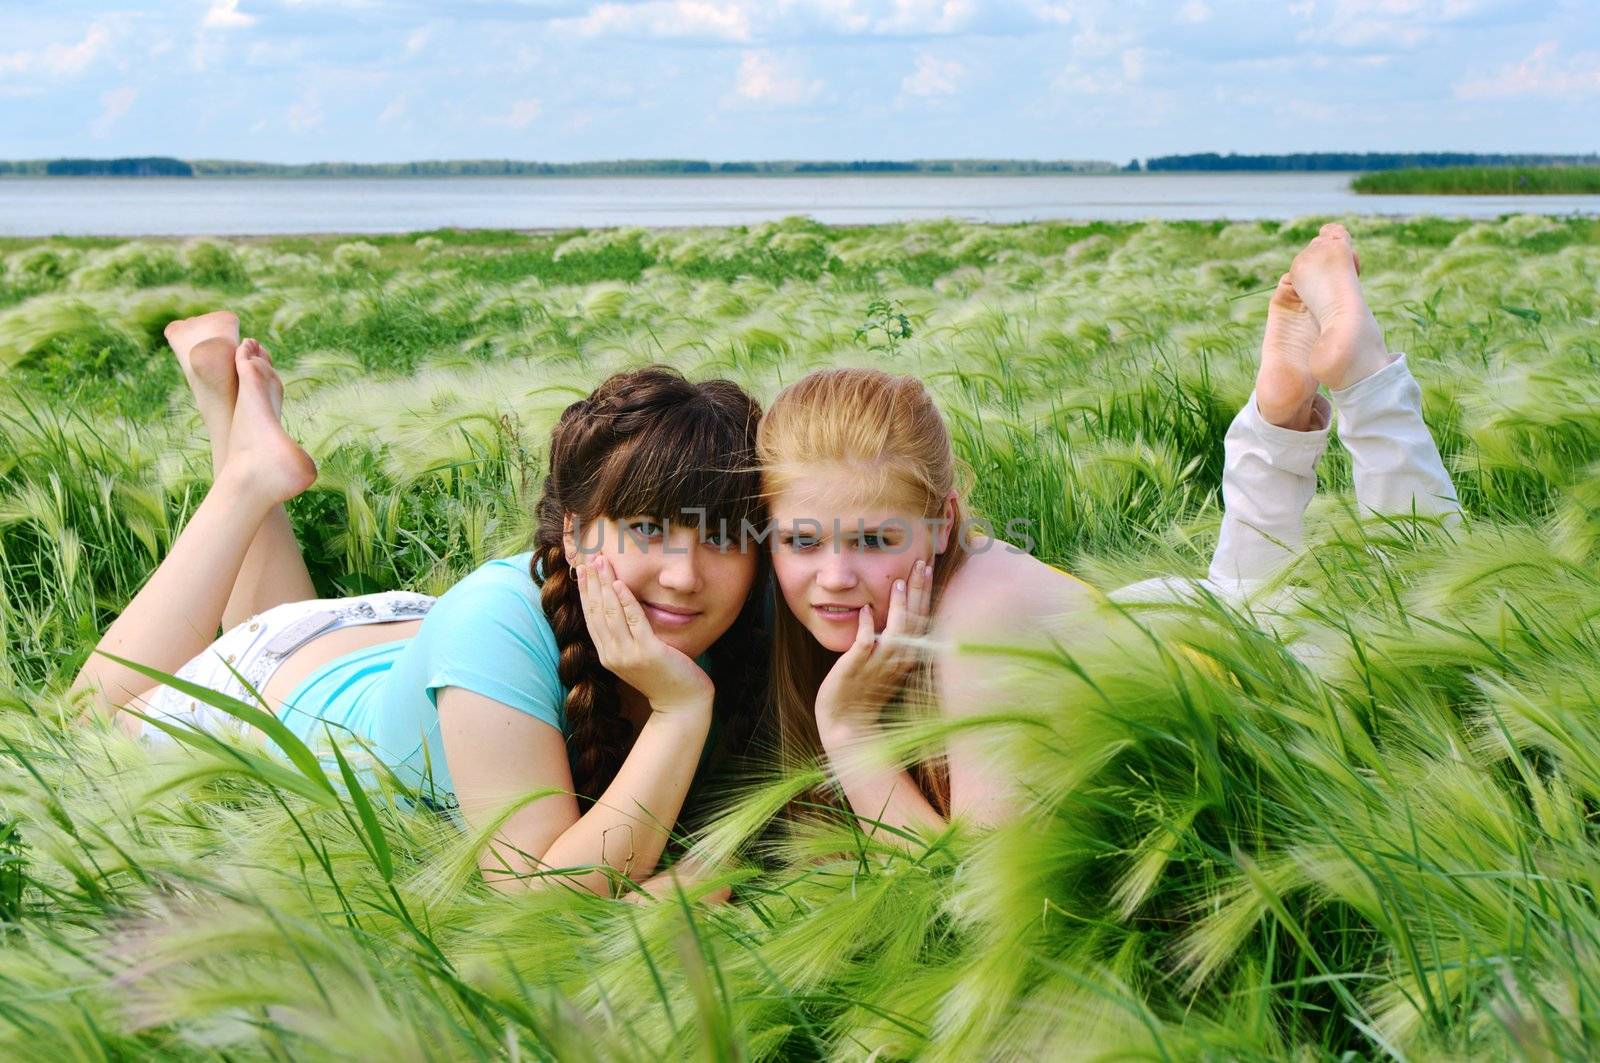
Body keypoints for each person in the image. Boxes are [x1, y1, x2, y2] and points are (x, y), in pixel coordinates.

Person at [756, 223, 1460, 838]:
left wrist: (848, 733)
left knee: (1428, 619)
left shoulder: (981, 620)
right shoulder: (879, 611)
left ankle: (1365, 374)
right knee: (1248, 595)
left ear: (942, 524)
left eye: (875, 541)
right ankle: (1280, 403)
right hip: (1185, 631)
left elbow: (971, 889)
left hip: (1275, 681)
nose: (837, 575)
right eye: (803, 540)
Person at [71, 312, 768, 897]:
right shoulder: (497, 621)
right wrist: (679, 710)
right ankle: (248, 473)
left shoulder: (752, 608)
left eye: (720, 535)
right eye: (646, 528)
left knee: (282, 623)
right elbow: (534, 894)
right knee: (86, 718)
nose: (683, 576)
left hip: (398, 644)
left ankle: (238, 424)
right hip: (286, 680)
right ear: (577, 531)